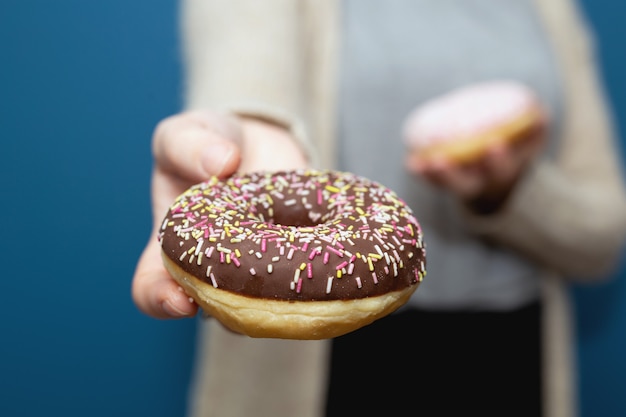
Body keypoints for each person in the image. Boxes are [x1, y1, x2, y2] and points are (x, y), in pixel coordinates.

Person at [131, 1, 626, 416]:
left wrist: (509, 189)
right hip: (319, 364)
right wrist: (253, 134)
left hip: (509, 351)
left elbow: (603, 239)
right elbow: (246, 66)